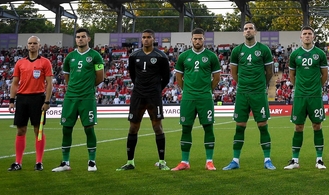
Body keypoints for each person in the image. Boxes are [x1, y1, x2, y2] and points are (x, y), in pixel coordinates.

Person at [222, 22, 276, 171]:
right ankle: (235, 160)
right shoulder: (237, 50)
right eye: (245, 29)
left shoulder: (263, 49)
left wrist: (261, 85)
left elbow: (269, 72)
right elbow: (234, 72)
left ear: (255, 32)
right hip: (242, 93)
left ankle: (267, 160)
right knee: (240, 126)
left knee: (263, 126)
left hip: (259, 93)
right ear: (243, 32)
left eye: (251, 28)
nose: (248, 31)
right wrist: (243, 84)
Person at [117, 30, 172, 171]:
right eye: (144, 37)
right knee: (133, 128)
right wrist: (141, 87)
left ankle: (162, 161)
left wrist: (156, 89)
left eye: (149, 37)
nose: (146, 39)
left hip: (154, 96)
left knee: (157, 127)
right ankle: (130, 162)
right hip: (138, 96)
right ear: (141, 39)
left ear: (154, 39)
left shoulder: (161, 56)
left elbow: (166, 78)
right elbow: (133, 76)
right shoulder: (134, 55)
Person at [52, 28, 105, 172]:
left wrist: (87, 87)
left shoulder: (95, 56)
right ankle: (65, 163)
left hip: (87, 97)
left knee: (89, 129)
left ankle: (92, 162)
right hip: (71, 97)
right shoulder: (70, 57)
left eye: (83, 36)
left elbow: (100, 77)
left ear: (88, 39)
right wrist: (73, 88)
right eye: (77, 37)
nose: (80, 39)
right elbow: (67, 77)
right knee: (66, 129)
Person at [170, 28, 221, 171]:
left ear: (204, 39)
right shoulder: (184, 56)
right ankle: (184, 162)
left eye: (200, 39)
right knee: (186, 128)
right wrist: (186, 90)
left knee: (208, 128)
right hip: (188, 98)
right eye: (195, 39)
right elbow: (179, 77)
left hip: (205, 98)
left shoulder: (211, 56)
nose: (197, 41)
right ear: (191, 39)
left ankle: (209, 161)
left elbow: (216, 78)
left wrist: (207, 90)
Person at [284, 26, 329, 170]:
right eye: (305, 34)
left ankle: (319, 160)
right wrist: (299, 87)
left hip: (315, 96)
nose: (307, 36)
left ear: (313, 37)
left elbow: (325, 74)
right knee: (298, 127)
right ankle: (295, 160)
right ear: (301, 37)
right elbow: (292, 75)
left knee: (317, 126)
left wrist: (316, 87)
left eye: (310, 33)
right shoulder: (295, 54)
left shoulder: (320, 54)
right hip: (300, 96)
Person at [7, 36, 54, 171]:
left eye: (35, 43)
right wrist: (11, 100)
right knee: (20, 130)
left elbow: (49, 83)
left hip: (38, 98)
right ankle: (18, 162)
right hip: (22, 99)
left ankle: (39, 162)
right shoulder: (20, 63)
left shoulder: (45, 62)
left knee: (38, 130)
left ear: (39, 46)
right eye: (30, 43)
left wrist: (47, 101)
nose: (32, 45)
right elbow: (15, 83)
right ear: (27, 46)